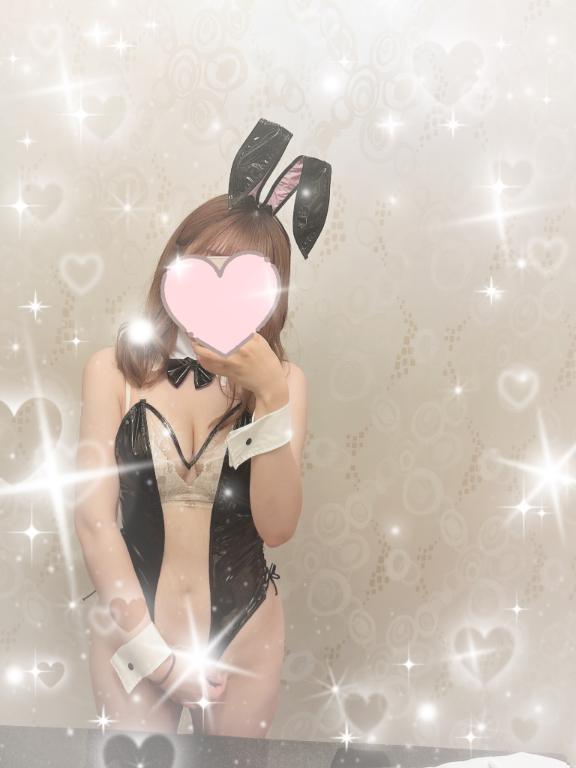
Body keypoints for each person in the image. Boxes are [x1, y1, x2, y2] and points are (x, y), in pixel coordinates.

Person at [74, 117, 331, 736]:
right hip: (132, 631)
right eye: (204, 266)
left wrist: (269, 393)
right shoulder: (112, 371)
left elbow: (277, 527)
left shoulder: (286, 383)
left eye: (244, 276)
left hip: (246, 633)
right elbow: (93, 520)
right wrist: (157, 658)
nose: (219, 287)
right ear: (175, 265)